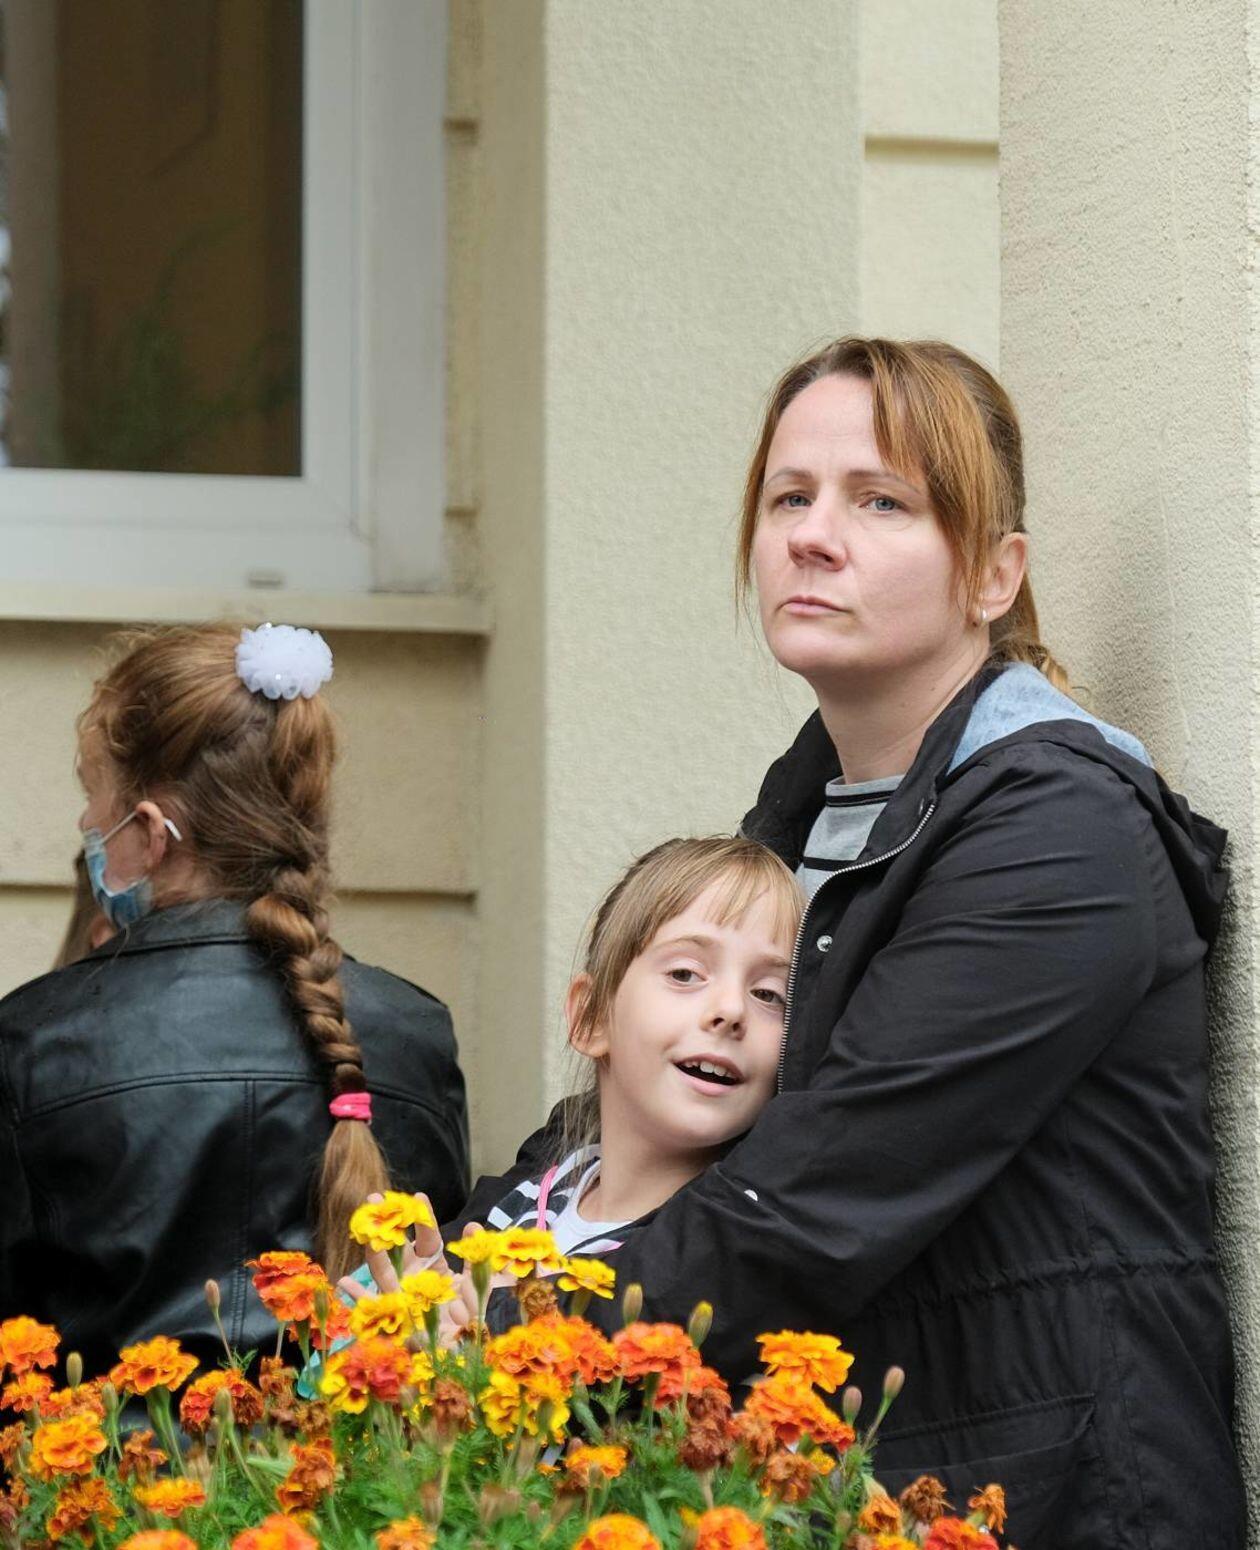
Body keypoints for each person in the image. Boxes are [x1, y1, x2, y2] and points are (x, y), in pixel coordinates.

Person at [462, 339, 1246, 1547]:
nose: (814, 537)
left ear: (994, 574)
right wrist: (470, 1258)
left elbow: (816, 1192)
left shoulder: (1056, 828)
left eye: (881, 502)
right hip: (878, 1487)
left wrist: (507, 1339)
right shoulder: (813, 810)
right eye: (790, 497)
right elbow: (649, 1115)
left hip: (1050, 1499)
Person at [0, 623, 469, 1379]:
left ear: (151, 832)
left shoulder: (30, 1040)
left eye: (93, 794)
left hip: (105, 1452)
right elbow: (434, 1300)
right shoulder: (416, 1032)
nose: (86, 823)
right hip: (360, 1455)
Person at [340, 836, 802, 1322]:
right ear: (591, 1017)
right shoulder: (523, 1200)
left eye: (769, 994)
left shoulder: (734, 1253)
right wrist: (424, 1322)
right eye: (685, 974)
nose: (731, 1009)